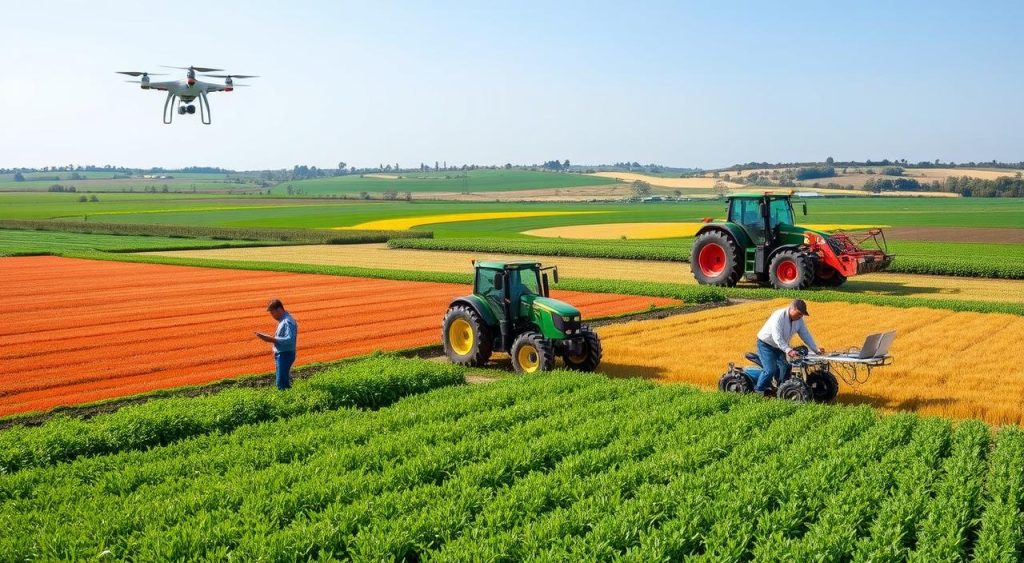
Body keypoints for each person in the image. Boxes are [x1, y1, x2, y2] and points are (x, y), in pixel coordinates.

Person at [754, 299, 824, 396]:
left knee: (785, 367)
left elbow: (805, 334)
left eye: (802, 314)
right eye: (799, 313)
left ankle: (782, 390)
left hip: (779, 347)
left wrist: (815, 349)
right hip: (766, 344)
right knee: (770, 370)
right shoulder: (778, 316)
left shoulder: (799, 320)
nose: (801, 316)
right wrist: (788, 350)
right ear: (792, 308)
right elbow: (776, 336)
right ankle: (758, 392)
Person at [255, 299, 298, 390]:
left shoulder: (287, 322)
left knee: (281, 383)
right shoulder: (283, 320)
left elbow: (289, 339)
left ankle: (286, 401)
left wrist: (271, 339)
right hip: (282, 354)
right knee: (283, 381)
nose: (272, 316)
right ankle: (289, 399)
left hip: (285, 354)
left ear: (279, 309)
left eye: (273, 313)